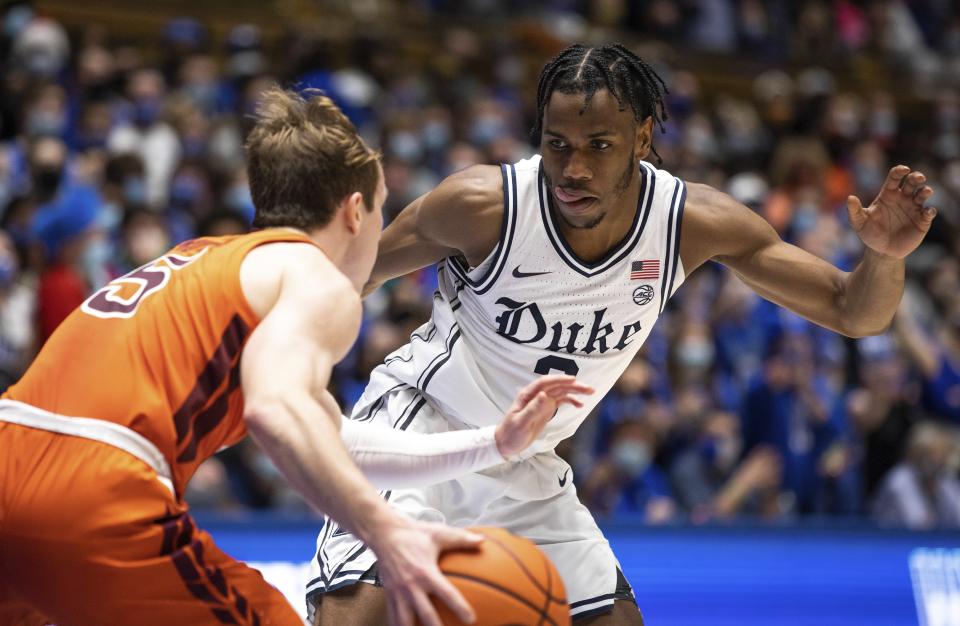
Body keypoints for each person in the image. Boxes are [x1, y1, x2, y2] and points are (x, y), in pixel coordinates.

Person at [310, 43, 938, 626]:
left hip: (525, 458)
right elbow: (344, 283)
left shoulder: (689, 222)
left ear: (641, 137)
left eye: (598, 146)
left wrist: (883, 257)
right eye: (558, 145)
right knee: (357, 612)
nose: (573, 169)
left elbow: (854, 312)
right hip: (423, 426)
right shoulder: (485, 205)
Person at [0, 87, 591, 626]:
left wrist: (491, 445)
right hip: (92, 485)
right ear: (355, 211)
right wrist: (386, 531)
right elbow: (275, 408)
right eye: (384, 208)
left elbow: (336, 444)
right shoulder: (317, 279)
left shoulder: (208, 258)